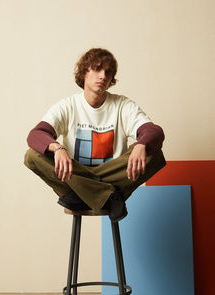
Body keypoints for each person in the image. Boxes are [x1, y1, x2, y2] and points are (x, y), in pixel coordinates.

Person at [24, 48, 166, 223]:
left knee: (154, 153)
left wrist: (141, 144)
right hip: (77, 173)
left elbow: (154, 131)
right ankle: (108, 195)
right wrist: (58, 148)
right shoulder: (68, 106)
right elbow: (35, 135)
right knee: (32, 155)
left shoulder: (122, 105)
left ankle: (82, 194)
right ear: (84, 72)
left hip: (89, 180)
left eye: (108, 72)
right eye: (97, 69)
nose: (103, 76)